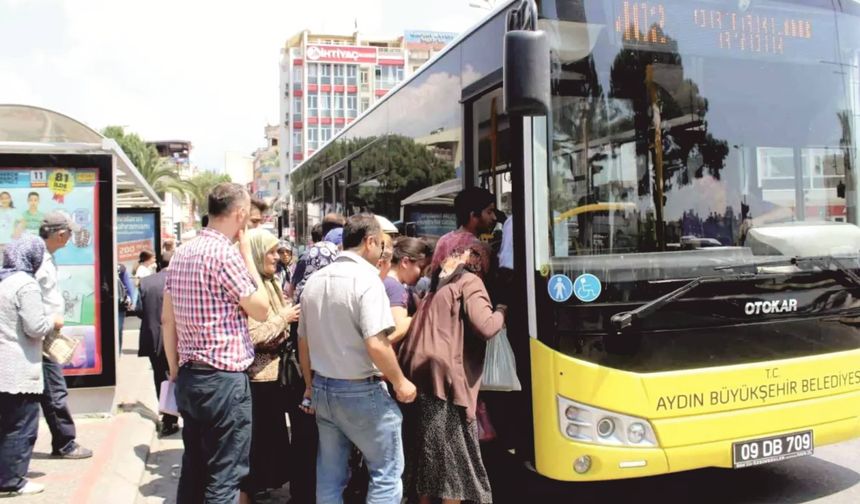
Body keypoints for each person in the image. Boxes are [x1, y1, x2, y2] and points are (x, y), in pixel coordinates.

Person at [162, 182, 272, 503]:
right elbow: (262, 309)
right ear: (239, 214)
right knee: (224, 476)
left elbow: (167, 320)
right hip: (224, 381)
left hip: (189, 375)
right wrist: (248, 257)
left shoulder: (182, 252)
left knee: (194, 467)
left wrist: (173, 368)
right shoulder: (225, 254)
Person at [298, 214, 417, 504]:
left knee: (329, 477)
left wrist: (310, 385)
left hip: (324, 389)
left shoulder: (314, 280)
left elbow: (304, 342)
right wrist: (401, 383)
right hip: (361, 390)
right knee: (386, 475)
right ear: (370, 241)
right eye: (382, 244)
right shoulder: (367, 280)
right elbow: (377, 343)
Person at [398, 245, 507, 504]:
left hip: (421, 377)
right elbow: (487, 326)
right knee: (452, 469)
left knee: (427, 459)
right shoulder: (469, 283)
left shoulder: (437, 285)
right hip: (445, 385)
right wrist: (503, 310)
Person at [0, 236, 64, 496]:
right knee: (21, 426)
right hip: (18, 368)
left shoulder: (3, 281)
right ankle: (12, 481)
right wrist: (54, 321)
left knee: (5, 424)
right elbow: (35, 327)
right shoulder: (26, 285)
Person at [241, 229, 301, 501]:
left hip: (276, 376)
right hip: (258, 379)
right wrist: (284, 318)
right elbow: (253, 335)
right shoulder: (252, 287)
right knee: (259, 442)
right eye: (272, 251)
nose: (277, 257)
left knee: (272, 441)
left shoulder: (272, 282)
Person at [35, 211, 92, 460]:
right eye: (69, 233)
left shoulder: (46, 257)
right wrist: (49, 322)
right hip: (39, 334)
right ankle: (65, 443)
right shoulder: (38, 259)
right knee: (54, 391)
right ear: (60, 234)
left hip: (44, 332)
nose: (70, 238)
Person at [136, 251, 179, 436]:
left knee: (160, 378)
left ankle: (167, 416)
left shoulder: (147, 282)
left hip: (153, 338)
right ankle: (177, 415)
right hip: (177, 338)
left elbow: (138, 309)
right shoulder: (180, 280)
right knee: (178, 375)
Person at [430, 187, 497, 279]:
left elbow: (434, 278)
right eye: (489, 212)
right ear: (473, 215)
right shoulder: (482, 249)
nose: (494, 217)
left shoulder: (443, 241)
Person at [383, 237, 432, 344]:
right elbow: (395, 332)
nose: (423, 274)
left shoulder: (383, 280)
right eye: (421, 267)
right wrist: (417, 316)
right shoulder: (396, 288)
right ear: (405, 262)